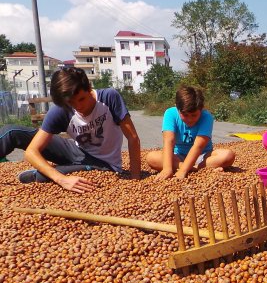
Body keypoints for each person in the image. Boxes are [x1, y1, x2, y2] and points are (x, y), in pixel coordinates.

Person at [0, 67, 141, 193]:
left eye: (81, 99)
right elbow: (31, 152)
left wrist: (135, 180)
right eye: (70, 102)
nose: (78, 106)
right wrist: (62, 179)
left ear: (89, 88)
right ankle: (56, 170)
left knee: (45, 177)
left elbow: (133, 138)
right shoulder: (61, 110)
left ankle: (38, 173)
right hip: (75, 150)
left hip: (104, 164)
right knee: (12, 132)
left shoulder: (109, 97)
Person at [145, 86, 235, 180]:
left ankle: (193, 167)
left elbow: (198, 146)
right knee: (151, 157)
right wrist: (167, 169)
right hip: (178, 157)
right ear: (177, 107)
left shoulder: (206, 116)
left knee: (228, 155)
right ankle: (200, 169)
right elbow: (169, 141)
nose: (190, 119)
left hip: (202, 157)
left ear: (201, 109)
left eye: (194, 115)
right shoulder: (170, 113)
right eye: (185, 115)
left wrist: (183, 171)